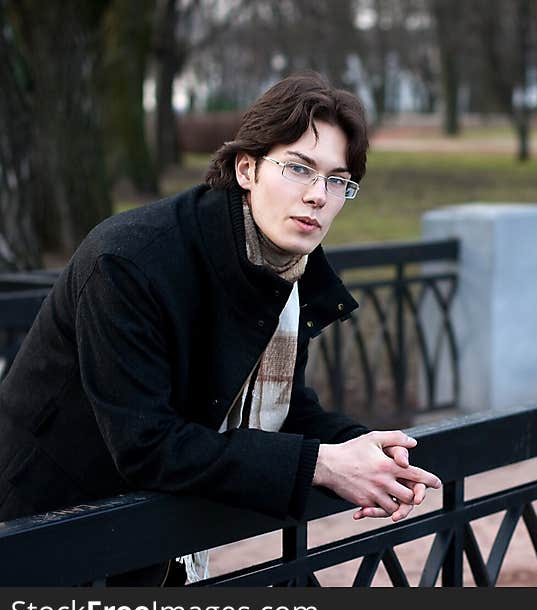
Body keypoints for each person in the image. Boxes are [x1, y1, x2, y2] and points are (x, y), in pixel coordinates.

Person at [0, 72, 442, 584]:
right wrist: (321, 465)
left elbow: (284, 410)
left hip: (148, 543)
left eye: (338, 180)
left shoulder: (284, 271)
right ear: (247, 169)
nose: (319, 196)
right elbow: (147, 445)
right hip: (41, 539)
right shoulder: (128, 262)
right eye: (299, 169)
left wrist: (363, 449)